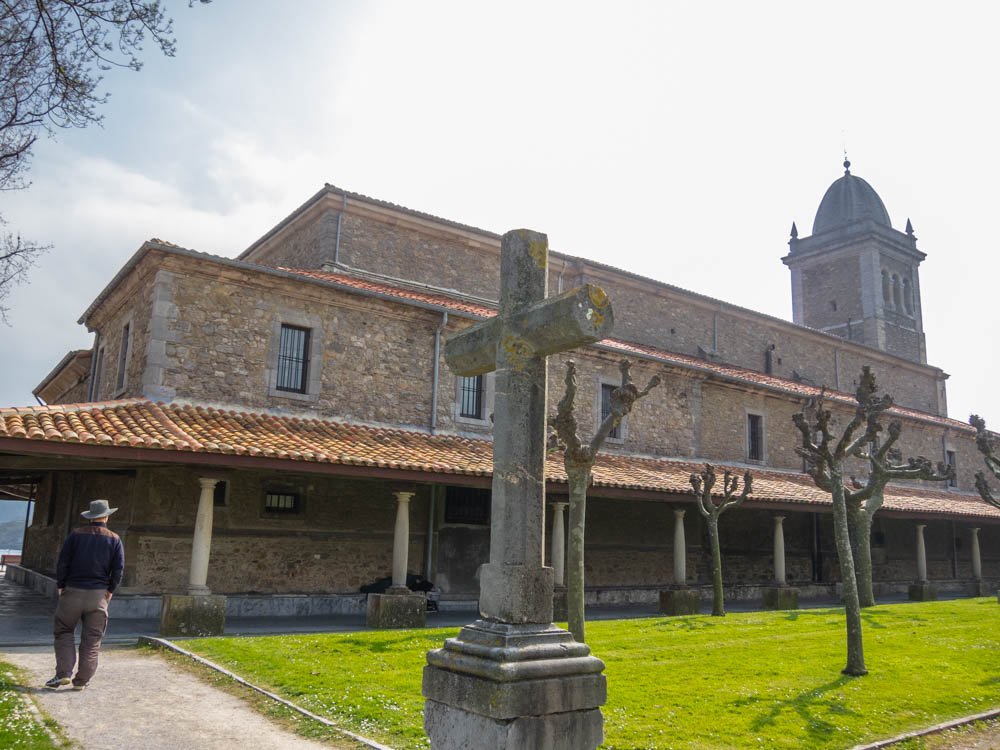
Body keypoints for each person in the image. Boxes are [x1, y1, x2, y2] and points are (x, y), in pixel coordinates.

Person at [45, 499, 125, 690]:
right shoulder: (114, 538)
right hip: (98, 596)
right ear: (106, 516)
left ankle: (63, 674)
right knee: (92, 640)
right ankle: (82, 681)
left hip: (73, 591)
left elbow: (63, 561)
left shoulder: (75, 535)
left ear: (90, 517)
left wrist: (61, 584)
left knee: (64, 632)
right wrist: (111, 590)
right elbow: (118, 569)